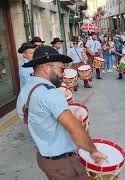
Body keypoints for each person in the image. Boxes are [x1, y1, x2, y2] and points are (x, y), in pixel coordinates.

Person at [16, 45, 106, 179]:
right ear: (46, 68)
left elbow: (28, 117)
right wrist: (93, 150)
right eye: (61, 69)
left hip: (44, 158)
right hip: (64, 163)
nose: (63, 73)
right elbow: (75, 129)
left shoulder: (26, 90)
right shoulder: (50, 93)